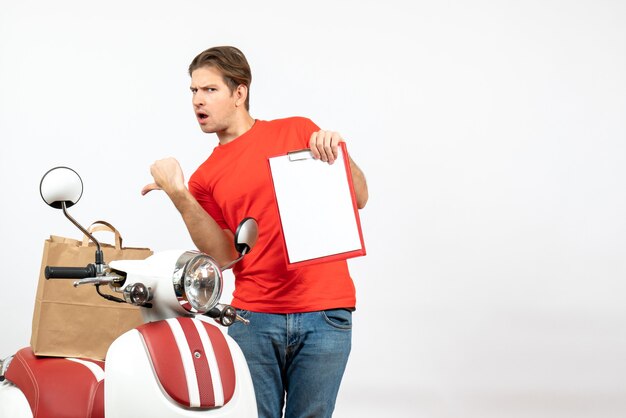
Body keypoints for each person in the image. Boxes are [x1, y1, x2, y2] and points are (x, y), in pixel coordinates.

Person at [142, 46, 368, 418]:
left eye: (209, 90)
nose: (198, 101)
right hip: (255, 318)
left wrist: (338, 150)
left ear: (239, 93)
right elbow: (223, 257)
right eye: (193, 91)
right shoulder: (203, 179)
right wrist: (179, 194)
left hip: (324, 312)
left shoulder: (297, 129)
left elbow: (359, 196)